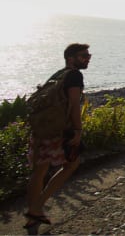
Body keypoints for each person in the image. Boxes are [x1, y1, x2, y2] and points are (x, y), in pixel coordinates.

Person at [24, 43, 91, 234]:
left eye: (88, 55)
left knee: (39, 171)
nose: (87, 58)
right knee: (71, 164)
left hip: (42, 129)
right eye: (83, 55)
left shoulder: (58, 74)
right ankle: (37, 207)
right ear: (71, 58)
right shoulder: (75, 76)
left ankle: (32, 216)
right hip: (60, 131)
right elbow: (74, 105)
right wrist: (78, 130)